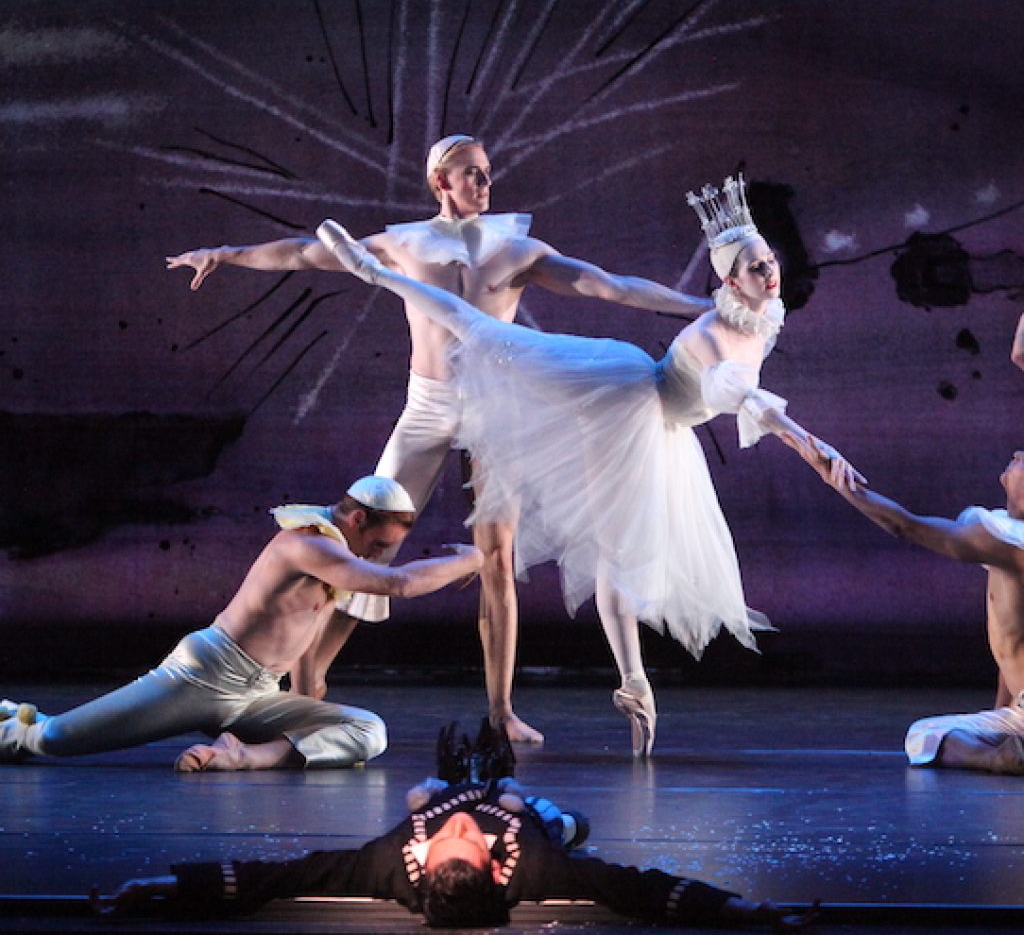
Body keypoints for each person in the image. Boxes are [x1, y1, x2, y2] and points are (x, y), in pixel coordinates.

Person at [166, 135, 712, 746]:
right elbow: (301, 252)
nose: (485, 184)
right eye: (471, 174)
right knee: (363, 546)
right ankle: (306, 686)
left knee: (497, 560)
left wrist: (700, 304)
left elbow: (607, 285)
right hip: (426, 408)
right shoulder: (401, 243)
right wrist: (225, 253)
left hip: (496, 410)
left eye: (487, 174)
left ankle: (501, 710)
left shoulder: (515, 249)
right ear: (440, 183)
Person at [314, 173, 857, 757]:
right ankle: (377, 273)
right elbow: (742, 398)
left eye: (769, 262)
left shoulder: (760, 314)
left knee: (625, 554)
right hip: (624, 408)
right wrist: (813, 446)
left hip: (664, 429)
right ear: (729, 280)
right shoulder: (717, 336)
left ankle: (633, 683)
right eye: (755, 268)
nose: (770, 274)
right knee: (488, 333)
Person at [92, 721, 818, 930]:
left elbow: (276, 877)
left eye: (452, 835)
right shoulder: (534, 868)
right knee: (508, 798)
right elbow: (642, 890)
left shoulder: (388, 864)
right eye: (465, 837)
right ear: (495, 869)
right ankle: (555, 816)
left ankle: (514, 800)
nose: (459, 827)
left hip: (437, 807)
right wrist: (746, 912)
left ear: (429, 861)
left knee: (425, 794)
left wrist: (159, 885)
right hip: (540, 827)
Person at [0, 476, 483, 771]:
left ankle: (244, 757)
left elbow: (308, 623)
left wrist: (306, 686)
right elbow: (397, 585)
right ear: (356, 519)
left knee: (368, 731)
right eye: (378, 544)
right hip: (204, 677)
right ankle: (13, 722)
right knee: (51, 739)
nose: (378, 555)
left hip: (255, 695)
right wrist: (476, 558)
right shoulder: (307, 545)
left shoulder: (336, 552)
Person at [798, 446, 1024, 775]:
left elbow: (906, 526)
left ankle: (996, 759)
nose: (1016, 455)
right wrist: (1001, 715)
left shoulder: (1009, 543)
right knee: (930, 733)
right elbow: (1012, 642)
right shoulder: (1005, 536)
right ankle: (1007, 752)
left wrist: (839, 482)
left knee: (923, 736)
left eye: (1022, 459)